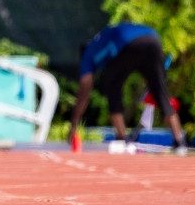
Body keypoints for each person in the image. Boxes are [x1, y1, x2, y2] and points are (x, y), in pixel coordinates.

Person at [69, 23, 186, 151]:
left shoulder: (88, 55)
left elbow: (84, 91)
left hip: (128, 43)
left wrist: (74, 124)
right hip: (153, 39)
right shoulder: (102, 39)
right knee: (160, 92)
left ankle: (121, 137)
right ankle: (179, 141)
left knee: (112, 86)